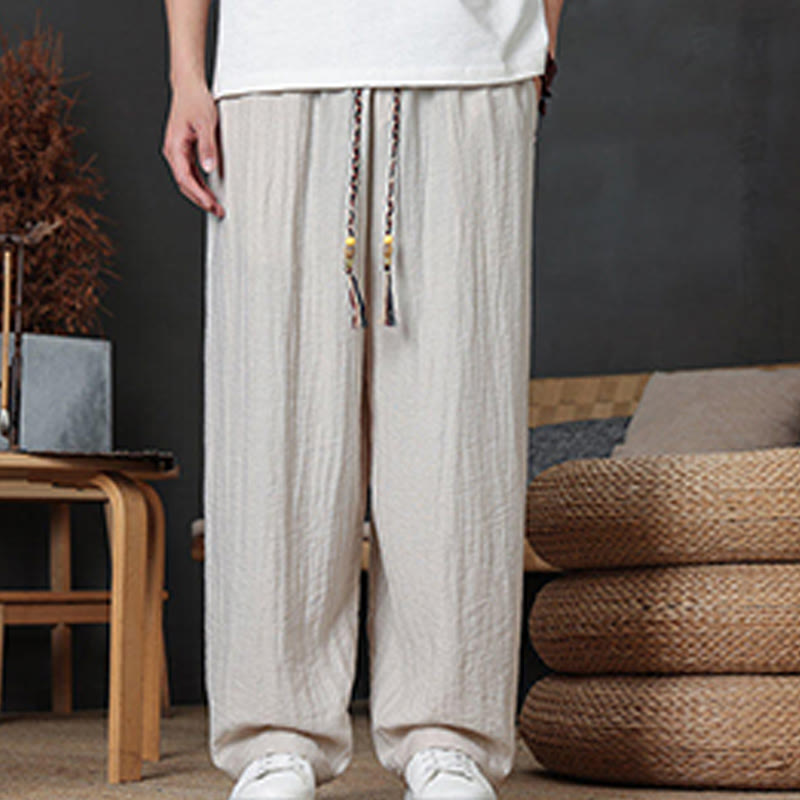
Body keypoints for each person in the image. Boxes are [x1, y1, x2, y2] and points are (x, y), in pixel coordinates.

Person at [161, 1, 565, 798]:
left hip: (470, 55)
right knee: (273, 417)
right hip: (275, 63)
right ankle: (274, 737)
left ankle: (449, 736)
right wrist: (186, 73)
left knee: (457, 414)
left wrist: (542, 39)